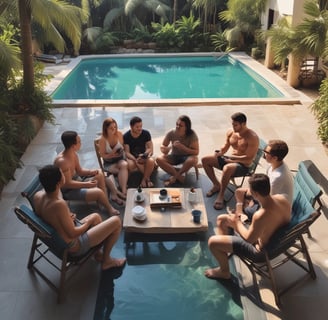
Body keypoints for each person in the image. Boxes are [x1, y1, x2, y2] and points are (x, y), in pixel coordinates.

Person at [34, 165, 126, 270]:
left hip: (60, 236)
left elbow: (51, 217)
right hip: (74, 246)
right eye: (62, 174)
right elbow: (73, 233)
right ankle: (107, 261)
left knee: (96, 217)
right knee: (116, 221)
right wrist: (87, 222)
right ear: (59, 183)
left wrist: (67, 217)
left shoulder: (38, 196)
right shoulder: (58, 205)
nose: (64, 175)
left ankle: (98, 254)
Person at [204, 173, 291, 280]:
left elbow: (250, 239)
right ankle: (225, 250)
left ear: (255, 194)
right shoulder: (283, 199)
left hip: (258, 251)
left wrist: (237, 223)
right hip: (273, 239)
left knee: (212, 242)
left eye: (250, 190)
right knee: (222, 219)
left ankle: (224, 271)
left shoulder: (261, 215)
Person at [54, 130, 120, 216]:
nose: (81, 143)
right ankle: (109, 208)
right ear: (73, 146)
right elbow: (67, 184)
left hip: (77, 180)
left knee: (99, 173)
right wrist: (87, 184)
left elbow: (79, 171)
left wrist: (90, 172)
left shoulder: (73, 154)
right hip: (68, 191)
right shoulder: (62, 162)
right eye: (79, 142)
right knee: (98, 192)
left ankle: (103, 202)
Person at [201, 112, 259, 210]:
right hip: (230, 159)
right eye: (232, 124)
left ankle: (221, 195)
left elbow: (249, 157)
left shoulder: (252, 137)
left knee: (227, 168)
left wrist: (232, 160)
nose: (233, 127)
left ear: (243, 124)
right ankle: (216, 185)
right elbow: (225, 146)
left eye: (235, 125)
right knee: (205, 160)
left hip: (243, 165)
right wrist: (220, 152)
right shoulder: (231, 132)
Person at [235, 139, 294, 222]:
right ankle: (240, 212)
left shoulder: (278, 177)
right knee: (239, 192)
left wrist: (254, 201)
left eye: (266, 152)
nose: (264, 154)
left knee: (246, 207)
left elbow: (269, 201)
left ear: (275, 158)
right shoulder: (274, 165)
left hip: (274, 208)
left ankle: (242, 213)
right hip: (265, 194)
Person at [156, 115, 199, 186]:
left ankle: (175, 177)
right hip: (174, 156)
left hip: (187, 157)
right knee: (158, 159)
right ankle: (179, 176)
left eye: (180, 125)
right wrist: (169, 147)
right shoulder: (172, 133)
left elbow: (196, 152)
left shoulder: (192, 134)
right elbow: (163, 146)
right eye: (177, 124)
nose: (177, 127)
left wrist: (183, 147)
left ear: (186, 127)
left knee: (193, 160)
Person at [98, 117, 129, 200]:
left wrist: (120, 151)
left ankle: (123, 190)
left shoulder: (119, 134)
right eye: (111, 128)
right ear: (106, 129)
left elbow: (122, 147)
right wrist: (111, 154)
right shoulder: (103, 139)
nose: (114, 130)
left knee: (124, 165)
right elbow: (103, 155)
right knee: (120, 171)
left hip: (119, 158)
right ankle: (118, 190)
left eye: (115, 127)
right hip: (109, 162)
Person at [123, 116, 155, 188]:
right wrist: (135, 159)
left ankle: (144, 179)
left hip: (143, 155)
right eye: (137, 127)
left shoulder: (146, 133)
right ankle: (148, 179)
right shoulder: (126, 136)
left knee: (151, 161)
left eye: (141, 126)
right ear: (131, 127)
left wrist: (145, 154)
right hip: (132, 157)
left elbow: (150, 148)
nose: (140, 128)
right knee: (134, 163)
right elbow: (127, 152)